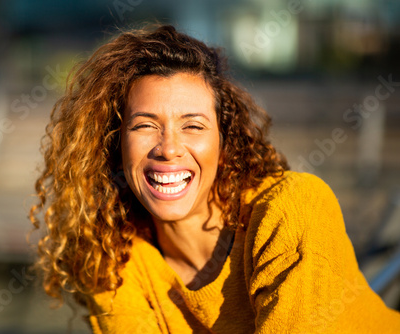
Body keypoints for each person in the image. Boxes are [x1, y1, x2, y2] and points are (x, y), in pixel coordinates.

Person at [30, 24, 400, 333]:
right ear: (115, 145)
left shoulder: (292, 210)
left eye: (193, 125)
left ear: (225, 142)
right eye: (145, 125)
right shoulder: (111, 258)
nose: (168, 149)